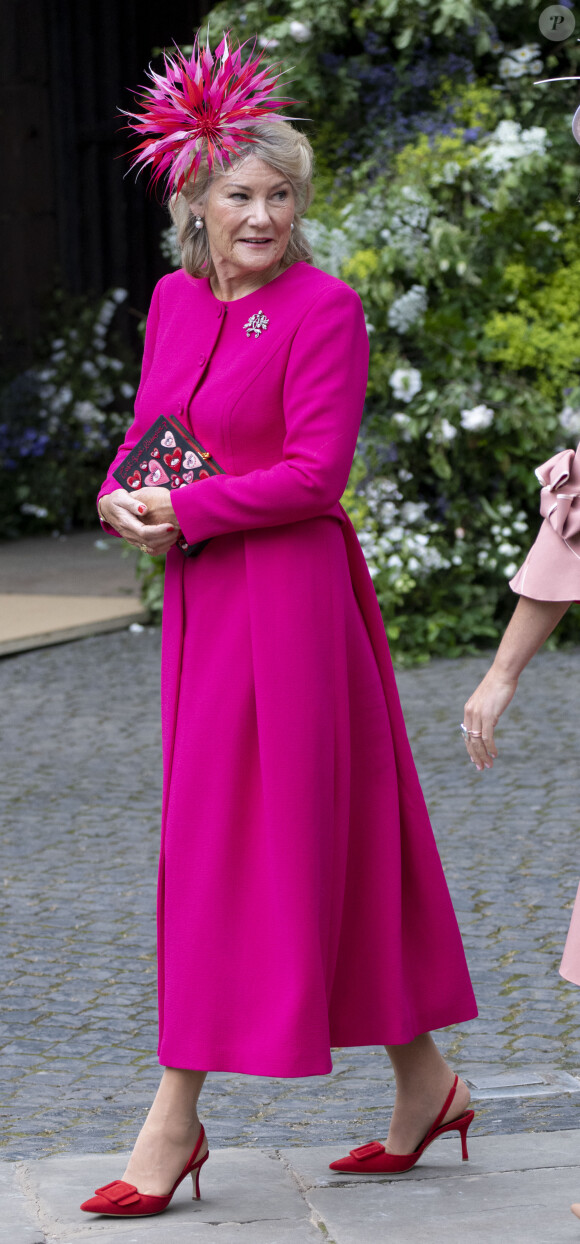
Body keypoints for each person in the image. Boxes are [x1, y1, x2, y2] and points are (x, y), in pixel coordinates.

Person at [80, 34, 477, 1220]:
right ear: (194, 201)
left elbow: (315, 475)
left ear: (301, 204)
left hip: (296, 610)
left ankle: (172, 1118)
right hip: (209, 606)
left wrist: (184, 509)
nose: (262, 214)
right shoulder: (170, 300)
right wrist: (120, 492)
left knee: (254, 845)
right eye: (239, 194)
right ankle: (429, 1086)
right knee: (298, 839)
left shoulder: (325, 309)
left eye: (281, 194)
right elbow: (158, 433)